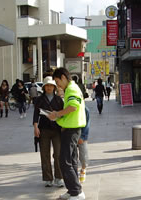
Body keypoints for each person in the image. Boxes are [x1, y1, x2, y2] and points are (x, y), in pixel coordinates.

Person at [48, 68, 86, 200]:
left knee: (64, 161)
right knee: (71, 160)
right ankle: (73, 190)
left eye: (58, 82)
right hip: (71, 128)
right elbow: (72, 109)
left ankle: (76, 191)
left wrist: (57, 114)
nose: (58, 85)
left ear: (64, 77)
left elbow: (73, 106)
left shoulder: (71, 89)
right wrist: (58, 117)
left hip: (71, 130)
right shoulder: (72, 88)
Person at [33, 76, 64, 188]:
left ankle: (59, 177)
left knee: (58, 154)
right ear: (44, 87)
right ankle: (48, 178)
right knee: (44, 154)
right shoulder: (39, 100)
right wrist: (35, 127)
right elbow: (36, 115)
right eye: (47, 86)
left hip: (57, 129)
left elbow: (63, 114)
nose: (49, 87)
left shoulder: (59, 99)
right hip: (44, 129)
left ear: (54, 87)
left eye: (51, 85)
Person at [78, 107, 90, 183]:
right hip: (70, 133)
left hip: (81, 133)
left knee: (83, 154)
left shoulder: (85, 109)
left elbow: (87, 124)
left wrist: (83, 136)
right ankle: (74, 173)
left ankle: (83, 169)